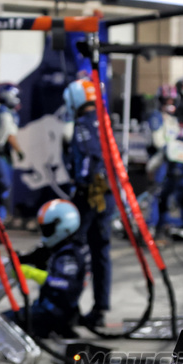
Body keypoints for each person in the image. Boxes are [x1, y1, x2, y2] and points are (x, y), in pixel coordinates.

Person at [63, 78, 111, 329]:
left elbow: (89, 157)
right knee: (101, 252)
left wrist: (82, 185)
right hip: (108, 194)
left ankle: (67, 307)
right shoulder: (105, 120)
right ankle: (100, 308)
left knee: (74, 250)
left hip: (91, 195)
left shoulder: (82, 125)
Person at [12, 199, 89, 339]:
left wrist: (32, 274)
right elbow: (37, 255)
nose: (44, 234)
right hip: (49, 309)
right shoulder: (60, 246)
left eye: (47, 229)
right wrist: (19, 258)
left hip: (54, 314)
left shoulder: (70, 255)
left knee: (4, 322)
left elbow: (66, 284)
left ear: (63, 226)